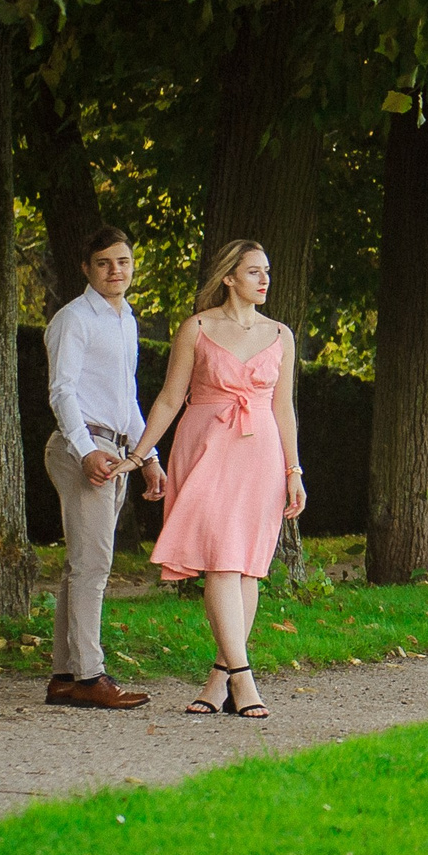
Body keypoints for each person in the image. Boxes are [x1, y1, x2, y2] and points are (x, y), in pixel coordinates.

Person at [127, 238, 306, 719]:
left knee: (247, 567)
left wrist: (294, 470)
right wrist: (139, 455)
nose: (265, 279)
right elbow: (168, 399)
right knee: (223, 564)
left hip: (261, 455)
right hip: (206, 449)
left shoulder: (280, 334)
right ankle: (246, 683)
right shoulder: (198, 328)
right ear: (229, 277)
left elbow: (284, 408)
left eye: (267, 271)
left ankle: (218, 680)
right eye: (254, 272)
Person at [42, 227, 164, 710]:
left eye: (124, 262)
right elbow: (62, 391)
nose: (116, 271)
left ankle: (65, 676)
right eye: (105, 263)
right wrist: (85, 449)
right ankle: (91, 676)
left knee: (81, 568)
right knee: (93, 566)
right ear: (87, 269)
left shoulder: (125, 319)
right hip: (82, 449)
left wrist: (149, 457)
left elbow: (126, 399)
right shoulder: (73, 319)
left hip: (116, 453)